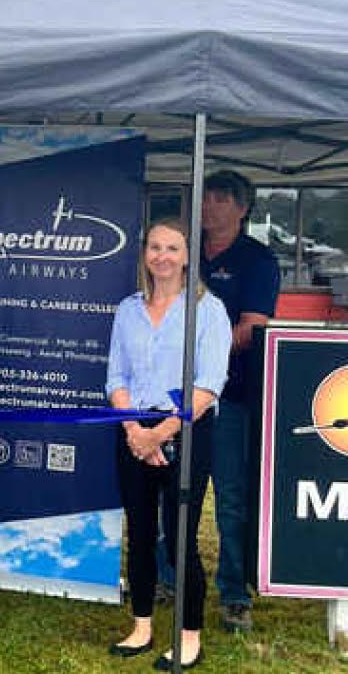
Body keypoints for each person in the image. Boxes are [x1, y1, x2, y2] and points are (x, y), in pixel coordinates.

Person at [105, 217, 232, 670]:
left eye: (172, 248)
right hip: (132, 429)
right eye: (155, 247)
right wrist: (134, 431)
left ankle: (188, 637)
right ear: (145, 253)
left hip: (186, 430)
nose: (162, 256)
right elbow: (116, 377)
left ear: (187, 256)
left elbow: (209, 384)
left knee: (180, 538)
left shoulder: (208, 311)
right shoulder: (128, 310)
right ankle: (141, 627)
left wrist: (160, 433)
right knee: (139, 533)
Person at [200, 170, 280, 633]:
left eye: (220, 200)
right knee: (174, 491)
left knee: (230, 498)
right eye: (205, 198)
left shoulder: (258, 259)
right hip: (175, 394)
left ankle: (234, 594)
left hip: (231, 397)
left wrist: (198, 356)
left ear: (242, 208)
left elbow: (253, 326)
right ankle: (167, 578)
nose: (209, 207)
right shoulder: (185, 250)